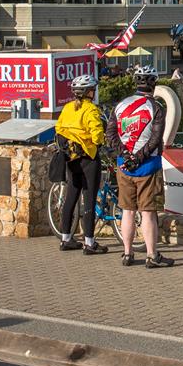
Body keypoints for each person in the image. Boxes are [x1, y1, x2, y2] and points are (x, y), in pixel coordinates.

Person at [107, 65, 173, 268]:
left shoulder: (120, 105)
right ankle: (152, 255)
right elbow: (155, 138)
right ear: (153, 83)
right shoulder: (155, 108)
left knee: (127, 210)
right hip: (147, 166)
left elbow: (111, 135)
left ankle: (127, 253)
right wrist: (139, 157)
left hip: (124, 166)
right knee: (147, 212)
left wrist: (125, 154)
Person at [55, 73, 108, 255]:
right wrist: (98, 143)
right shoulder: (91, 110)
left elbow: (59, 128)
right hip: (88, 158)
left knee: (71, 197)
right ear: (88, 92)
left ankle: (66, 239)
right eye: (93, 90)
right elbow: (97, 133)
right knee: (89, 199)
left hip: (71, 158)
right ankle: (89, 242)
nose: (94, 92)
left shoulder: (68, 108)